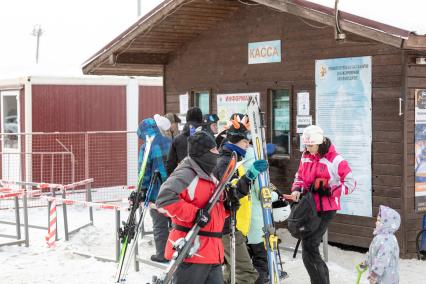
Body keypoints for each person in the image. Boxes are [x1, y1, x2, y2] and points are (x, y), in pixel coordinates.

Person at [156, 131, 225, 284]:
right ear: (203, 153)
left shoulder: (209, 175)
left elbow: (211, 210)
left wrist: (227, 206)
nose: (217, 153)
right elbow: (164, 200)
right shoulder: (187, 173)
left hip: (212, 251)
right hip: (191, 251)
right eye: (213, 150)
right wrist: (195, 214)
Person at [290, 125, 356, 284]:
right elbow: (299, 176)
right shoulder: (306, 155)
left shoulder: (335, 159)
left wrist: (330, 191)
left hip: (326, 208)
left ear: (319, 143)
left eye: (311, 145)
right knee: (308, 247)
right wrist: (297, 189)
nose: (308, 148)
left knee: (310, 246)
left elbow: (351, 183)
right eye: (306, 145)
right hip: (308, 205)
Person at [213, 116, 268, 284]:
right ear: (236, 142)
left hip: (234, 225)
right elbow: (230, 194)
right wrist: (250, 175)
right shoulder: (226, 162)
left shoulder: (235, 159)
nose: (247, 146)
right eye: (245, 142)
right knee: (245, 273)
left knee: (232, 272)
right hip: (227, 227)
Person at [137, 117, 172, 263]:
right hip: (174, 188)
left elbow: (143, 171)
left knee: (159, 224)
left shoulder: (146, 147)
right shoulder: (170, 141)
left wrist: (142, 190)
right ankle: (176, 252)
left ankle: (162, 254)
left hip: (156, 191)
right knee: (175, 222)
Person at [361, 205, 400, 284]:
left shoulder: (387, 240)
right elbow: (374, 253)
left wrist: (374, 273)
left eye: (379, 221)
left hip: (386, 279)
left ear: (387, 224)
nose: (376, 222)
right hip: (380, 278)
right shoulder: (380, 237)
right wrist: (366, 262)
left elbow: (383, 259)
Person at [166, 107, 203, 175]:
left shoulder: (177, 139)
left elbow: (170, 164)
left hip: (182, 178)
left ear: (187, 119)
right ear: (201, 119)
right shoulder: (207, 137)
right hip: (202, 179)